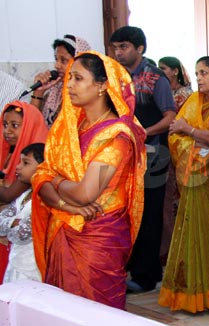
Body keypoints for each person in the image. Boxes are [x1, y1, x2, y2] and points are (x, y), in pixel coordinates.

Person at [31, 51, 147, 309]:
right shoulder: (71, 129)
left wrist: (56, 179)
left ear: (102, 86)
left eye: (78, 78)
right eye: (70, 77)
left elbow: (86, 194)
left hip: (97, 236)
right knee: (62, 310)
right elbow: (40, 178)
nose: (69, 84)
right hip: (66, 226)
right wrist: (67, 206)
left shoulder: (117, 136)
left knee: (96, 312)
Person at [159, 56, 209, 313]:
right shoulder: (195, 101)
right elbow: (174, 131)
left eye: (205, 73)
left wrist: (188, 130)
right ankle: (192, 291)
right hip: (195, 174)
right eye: (197, 73)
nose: (199, 78)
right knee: (190, 230)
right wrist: (185, 133)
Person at [110, 26, 177, 293]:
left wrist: (143, 133)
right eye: (116, 47)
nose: (118, 52)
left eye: (124, 47)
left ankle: (146, 275)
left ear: (140, 48)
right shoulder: (116, 77)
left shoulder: (154, 78)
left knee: (149, 214)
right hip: (126, 154)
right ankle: (131, 268)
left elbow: (170, 116)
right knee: (128, 212)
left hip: (153, 154)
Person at [0, 101, 47, 283]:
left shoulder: (36, 158)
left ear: (29, 127)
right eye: (4, 125)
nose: (7, 131)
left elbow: (7, 196)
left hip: (26, 259)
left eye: (15, 126)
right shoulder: (14, 155)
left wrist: (8, 222)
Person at [157, 56, 193, 265]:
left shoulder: (185, 96)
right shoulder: (165, 93)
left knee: (173, 203)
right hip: (166, 151)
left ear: (175, 71)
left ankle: (173, 250)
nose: (161, 72)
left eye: (164, 68)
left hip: (180, 154)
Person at [30, 34, 92, 126]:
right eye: (56, 59)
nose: (57, 66)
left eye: (63, 60)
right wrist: (38, 93)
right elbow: (31, 125)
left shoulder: (87, 96)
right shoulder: (53, 93)